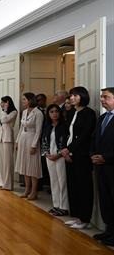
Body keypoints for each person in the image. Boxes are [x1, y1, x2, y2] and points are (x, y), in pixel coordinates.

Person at [60, 86, 96, 229]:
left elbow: (85, 135)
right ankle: (76, 216)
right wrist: (64, 149)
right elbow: (66, 132)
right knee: (72, 185)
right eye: (71, 95)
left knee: (84, 186)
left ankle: (85, 219)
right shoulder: (71, 112)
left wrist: (69, 149)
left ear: (83, 96)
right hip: (68, 154)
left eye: (75, 95)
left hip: (81, 155)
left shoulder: (89, 113)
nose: (72, 98)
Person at [91, 87, 114, 246]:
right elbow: (95, 139)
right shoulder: (103, 117)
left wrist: (106, 157)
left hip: (112, 165)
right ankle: (109, 231)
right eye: (101, 97)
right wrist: (93, 154)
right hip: (100, 167)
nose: (102, 100)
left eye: (106, 97)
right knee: (105, 200)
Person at [41, 104, 69, 216]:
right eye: (51, 112)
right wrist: (47, 154)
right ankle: (56, 205)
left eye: (56, 111)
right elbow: (43, 141)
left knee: (62, 181)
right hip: (50, 157)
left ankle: (64, 207)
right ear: (48, 114)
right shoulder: (47, 126)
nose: (54, 114)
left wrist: (58, 154)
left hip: (60, 157)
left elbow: (65, 142)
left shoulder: (64, 126)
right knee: (54, 181)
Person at [15, 92, 44, 201]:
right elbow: (21, 128)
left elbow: (38, 131)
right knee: (25, 166)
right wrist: (17, 141)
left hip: (32, 139)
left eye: (24, 99)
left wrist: (34, 145)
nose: (22, 101)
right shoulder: (24, 112)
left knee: (32, 167)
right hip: (23, 139)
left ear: (30, 100)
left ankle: (34, 191)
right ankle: (27, 189)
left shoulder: (38, 113)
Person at [0, 96, 18, 190]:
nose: (1, 104)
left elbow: (4, 120)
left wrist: (5, 110)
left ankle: (8, 184)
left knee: (7, 162)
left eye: (3, 102)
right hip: (1, 138)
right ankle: (2, 182)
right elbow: (1, 124)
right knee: (2, 162)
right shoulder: (3, 112)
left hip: (8, 138)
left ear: (7, 103)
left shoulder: (14, 112)